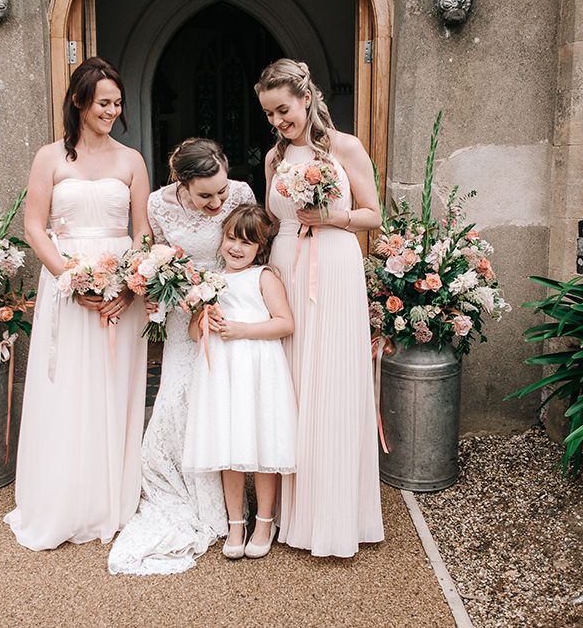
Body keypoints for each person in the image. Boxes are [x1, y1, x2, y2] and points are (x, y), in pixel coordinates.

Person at [4, 57, 150, 550]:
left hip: (119, 290)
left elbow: (143, 232)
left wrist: (129, 286)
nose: (112, 110)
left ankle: (111, 497)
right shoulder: (49, 158)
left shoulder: (131, 160)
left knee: (113, 385)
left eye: (117, 103)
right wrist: (71, 278)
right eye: (103, 102)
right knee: (66, 385)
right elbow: (33, 228)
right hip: (66, 286)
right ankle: (64, 496)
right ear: (78, 101)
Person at [108, 138, 256, 575]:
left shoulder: (243, 194)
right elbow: (152, 258)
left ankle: (236, 504)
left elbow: (252, 246)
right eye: (205, 195)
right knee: (177, 396)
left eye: (221, 193)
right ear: (182, 183)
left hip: (233, 305)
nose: (216, 203)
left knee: (225, 400)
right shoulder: (159, 204)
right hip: (182, 315)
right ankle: (189, 497)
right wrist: (175, 290)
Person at [255, 58, 385, 557]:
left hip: (333, 265)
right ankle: (291, 509)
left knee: (329, 378)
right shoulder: (274, 159)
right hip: (289, 263)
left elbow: (373, 215)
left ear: (306, 98)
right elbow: (271, 220)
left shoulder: (346, 147)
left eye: (282, 110)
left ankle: (334, 511)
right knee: (291, 377)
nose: (277, 122)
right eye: (269, 114)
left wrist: (335, 216)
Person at [182, 203, 298, 560]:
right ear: (222, 240)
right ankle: (236, 521)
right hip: (221, 371)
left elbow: (285, 323)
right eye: (231, 238)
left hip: (257, 367)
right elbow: (192, 334)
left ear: (260, 248)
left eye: (246, 243)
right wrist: (205, 319)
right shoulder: (210, 282)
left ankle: (265, 519)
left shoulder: (264, 276)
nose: (236, 247)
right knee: (227, 446)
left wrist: (242, 330)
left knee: (262, 443)